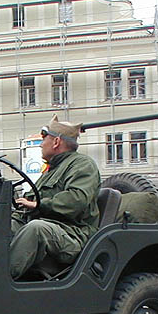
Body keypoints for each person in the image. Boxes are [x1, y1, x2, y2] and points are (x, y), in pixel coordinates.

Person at [9, 114, 100, 279]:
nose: (41, 145)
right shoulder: (52, 170)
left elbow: (76, 200)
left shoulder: (82, 165)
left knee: (35, 229)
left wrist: (38, 205)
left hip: (73, 233)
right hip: (51, 228)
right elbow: (30, 202)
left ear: (56, 142)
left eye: (44, 139)